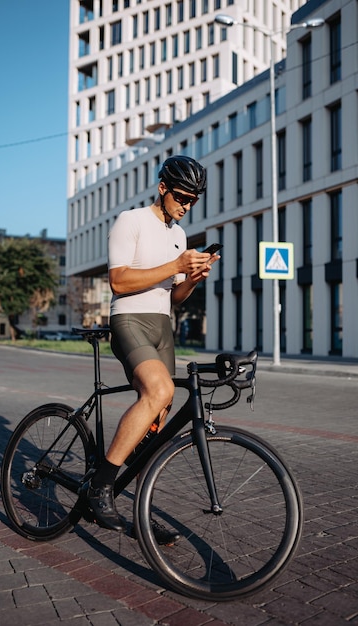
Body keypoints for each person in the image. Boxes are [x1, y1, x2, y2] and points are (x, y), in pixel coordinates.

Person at [82, 155, 221, 542]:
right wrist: (176, 262)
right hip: (130, 321)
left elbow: (174, 297)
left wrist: (192, 277)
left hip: (162, 327)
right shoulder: (132, 221)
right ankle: (101, 486)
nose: (186, 205)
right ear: (162, 188)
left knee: (157, 423)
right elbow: (119, 281)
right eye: (181, 197)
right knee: (158, 390)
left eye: (193, 200)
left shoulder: (178, 235)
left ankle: (141, 511)